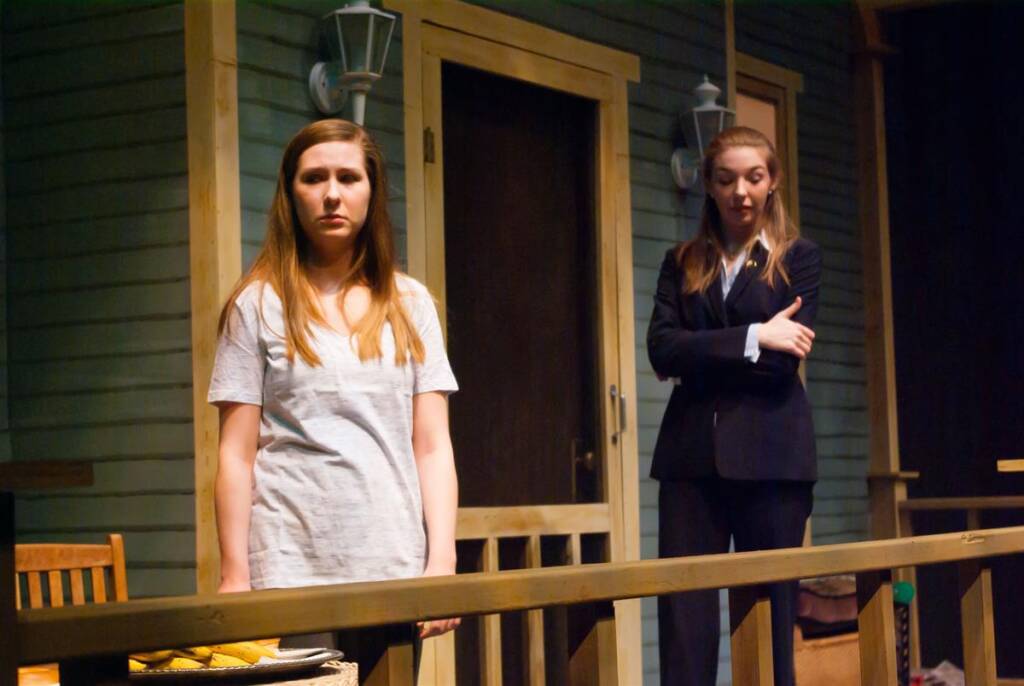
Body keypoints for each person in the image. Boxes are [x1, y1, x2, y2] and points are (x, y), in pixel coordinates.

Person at [208, 119, 461, 657]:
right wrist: (235, 577)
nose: (331, 194)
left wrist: (442, 563)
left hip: (391, 566)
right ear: (290, 192)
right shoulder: (255, 306)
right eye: (313, 178)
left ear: (372, 191)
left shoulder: (411, 305)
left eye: (348, 178)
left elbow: (433, 446)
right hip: (288, 567)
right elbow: (235, 453)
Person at [647, 126, 821, 686]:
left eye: (754, 177)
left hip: (773, 460)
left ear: (772, 183)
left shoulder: (798, 258)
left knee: (767, 628)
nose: (740, 192)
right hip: (690, 462)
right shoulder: (681, 262)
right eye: (726, 179)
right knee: (684, 625)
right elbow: (660, 348)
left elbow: (779, 365)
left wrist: (703, 353)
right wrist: (753, 337)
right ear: (709, 185)